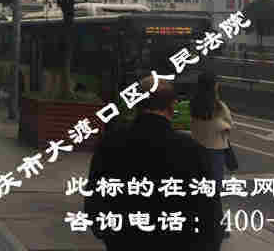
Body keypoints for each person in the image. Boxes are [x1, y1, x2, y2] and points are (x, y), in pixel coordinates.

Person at [85, 75, 222, 251]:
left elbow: (94, 201)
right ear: (172, 105)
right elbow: (210, 213)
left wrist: (109, 235)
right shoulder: (193, 151)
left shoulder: (109, 144)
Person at [190, 71, 234, 240]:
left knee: (201, 189)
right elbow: (229, 125)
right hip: (215, 152)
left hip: (197, 150)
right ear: (214, 86)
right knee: (214, 192)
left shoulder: (194, 104)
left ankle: (201, 223)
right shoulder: (219, 106)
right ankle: (218, 227)